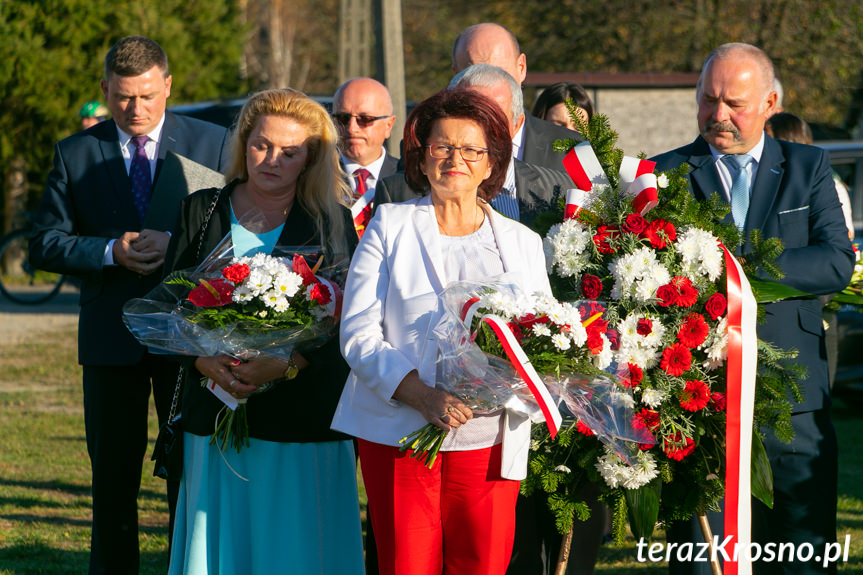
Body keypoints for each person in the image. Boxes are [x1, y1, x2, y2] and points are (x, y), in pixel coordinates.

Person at [29, 35, 230, 575]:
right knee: (112, 477)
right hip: (108, 338)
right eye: (122, 98)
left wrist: (179, 247)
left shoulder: (213, 143)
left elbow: (239, 234)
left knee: (188, 470)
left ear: (168, 85)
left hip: (188, 337)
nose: (135, 109)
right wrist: (107, 251)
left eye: (146, 95)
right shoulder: (75, 153)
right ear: (104, 90)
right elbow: (43, 242)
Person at [652, 43, 854, 575]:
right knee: (706, 561)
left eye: (733, 103)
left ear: (769, 102)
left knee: (802, 553)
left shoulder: (809, 166)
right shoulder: (663, 173)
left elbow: (835, 261)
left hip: (795, 399)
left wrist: (743, 270)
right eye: (707, 99)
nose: (717, 115)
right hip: (701, 404)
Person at [332, 88, 552, 575]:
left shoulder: (523, 243)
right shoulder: (389, 226)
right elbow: (359, 332)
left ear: (491, 162)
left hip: (491, 436)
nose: (456, 159)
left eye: (471, 149)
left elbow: (542, 334)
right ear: (423, 156)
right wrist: (419, 394)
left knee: (484, 562)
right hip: (401, 432)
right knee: (407, 564)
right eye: (443, 147)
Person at [164, 88, 363, 574]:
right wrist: (199, 358)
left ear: (309, 159)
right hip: (215, 410)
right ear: (243, 145)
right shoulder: (201, 209)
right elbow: (168, 303)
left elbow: (350, 321)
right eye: (261, 145)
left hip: (301, 418)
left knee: (295, 550)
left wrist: (288, 362)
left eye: (289, 152)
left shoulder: (331, 221)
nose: (271, 159)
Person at [374, 64, 573, 230]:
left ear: (517, 124)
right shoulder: (397, 197)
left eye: (493, 118)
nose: (477, 128)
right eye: (467, 114)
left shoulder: (557, 190)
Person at [452, 22, 579, 170]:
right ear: (456, 75)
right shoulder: (430, 155)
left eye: (499, 72)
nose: (487, 87)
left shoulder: (572, 151)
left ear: (521, 67)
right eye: (475, 72)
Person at [332, 77, 399, 238]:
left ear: (388, 125)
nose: (351, 128)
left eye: (365, 119)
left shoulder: (408, 179)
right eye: (343, 118)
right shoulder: (314, 178)